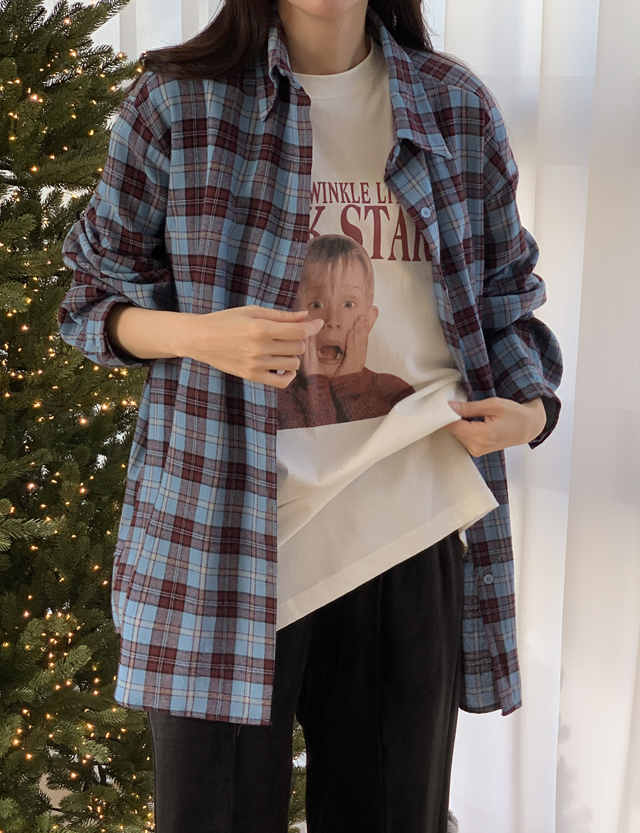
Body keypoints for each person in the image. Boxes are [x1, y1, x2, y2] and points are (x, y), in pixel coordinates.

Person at [58, 1, 563, 832]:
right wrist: (201, 335)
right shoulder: (177, 100)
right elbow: (89, 296)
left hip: (407, 526)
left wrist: (533, 412)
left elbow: (506, 297)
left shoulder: (454, 105)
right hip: (217, 539)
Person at [278, 233, 416, 428]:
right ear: (291, 314)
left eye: (348, 304)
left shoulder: (394, 391)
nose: (333, 320)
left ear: (369, 320)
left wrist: (349, 385)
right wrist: (314, 385)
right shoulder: (279, 396)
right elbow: (319, 444)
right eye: (317, 305)